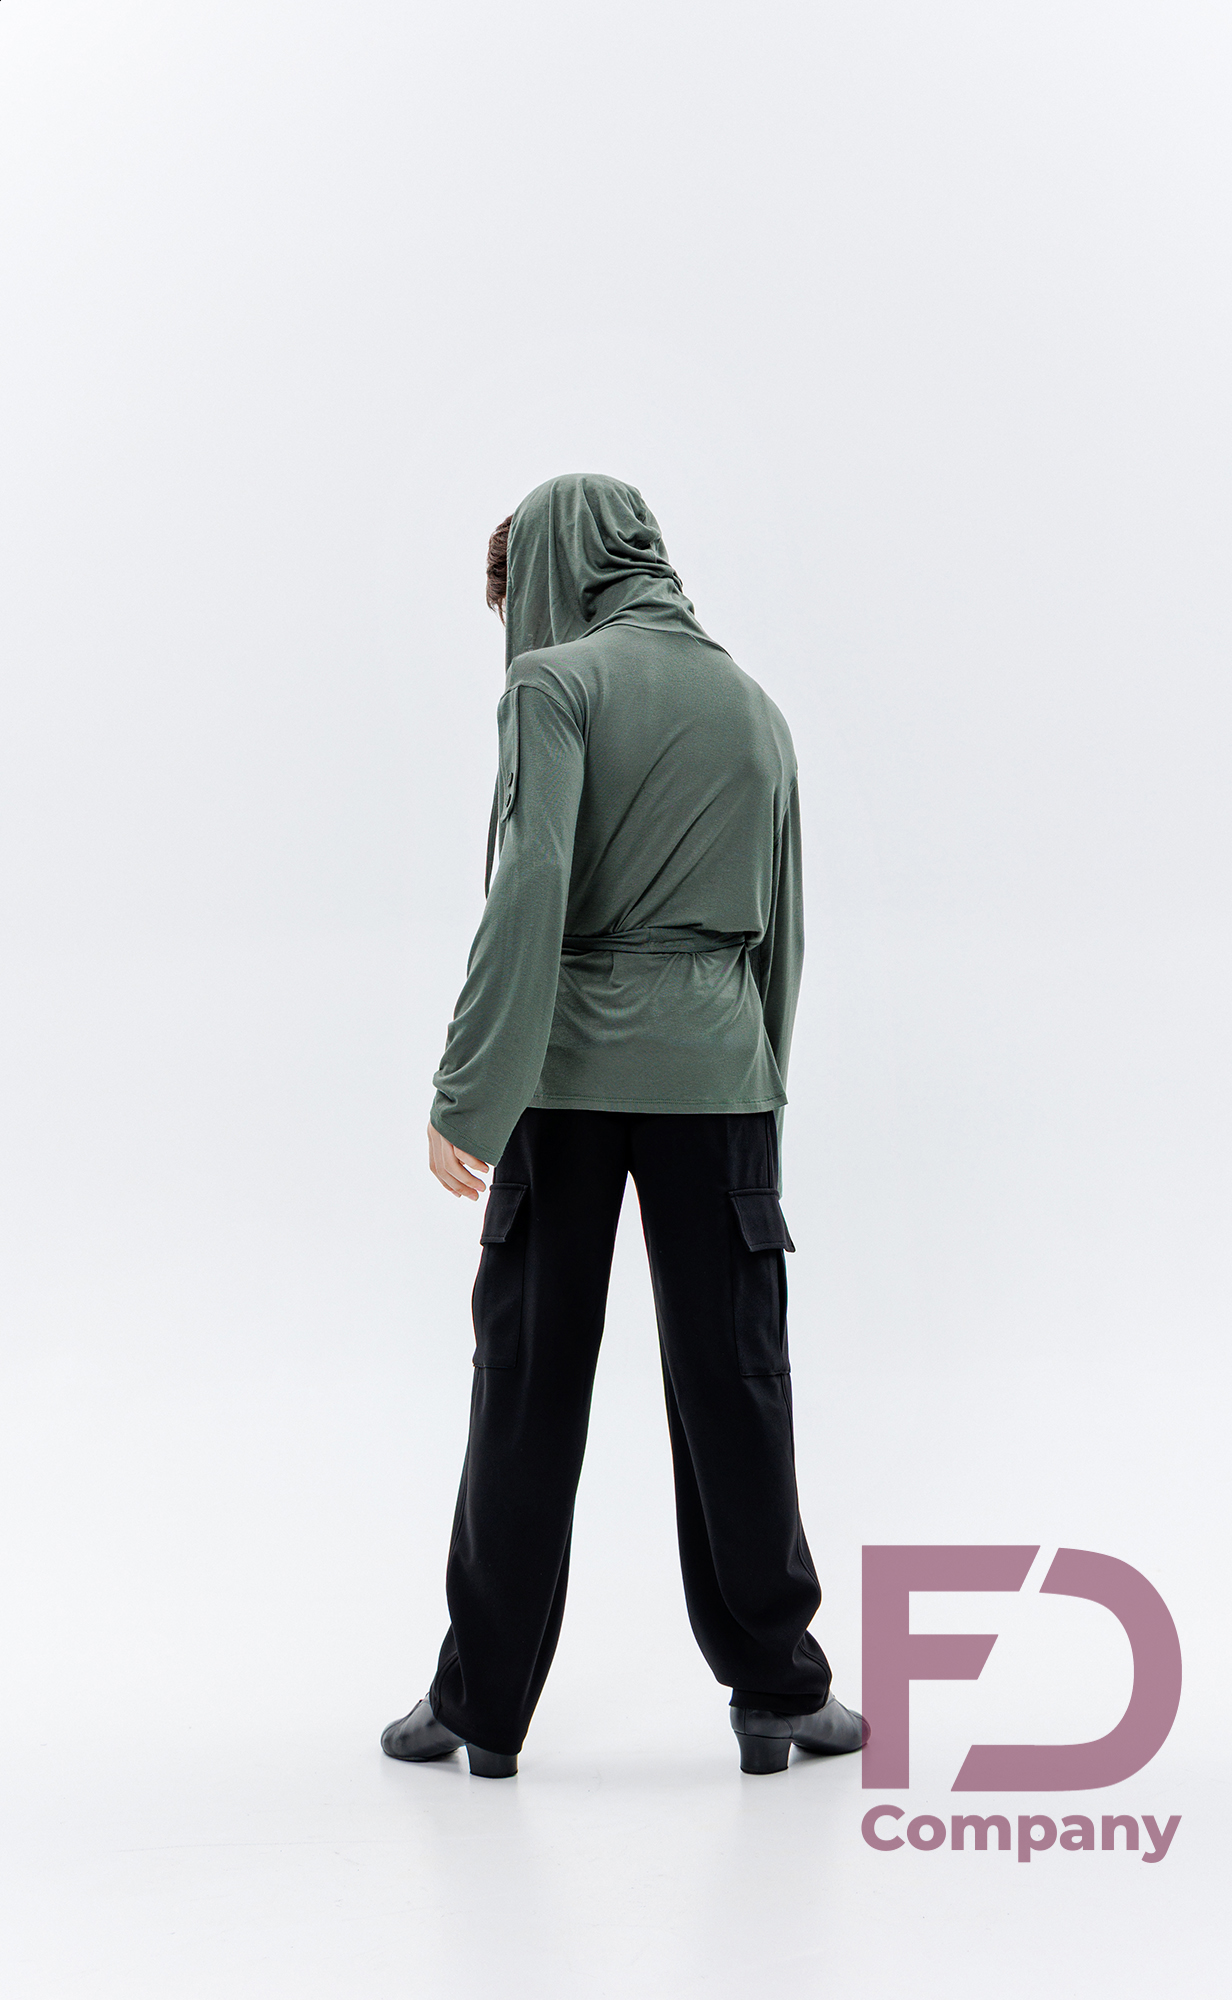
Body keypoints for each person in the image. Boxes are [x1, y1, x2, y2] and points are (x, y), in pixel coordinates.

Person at [381, 475, 864, 1779]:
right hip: (720, 1074)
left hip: (564, 1077)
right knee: (736, 1382)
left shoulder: (551, 687)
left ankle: (481, 1707)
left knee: (527, 1382)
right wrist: (759, 1086)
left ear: (553, 571)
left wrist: (467, 1090)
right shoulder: (753, 703)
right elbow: (785, 922)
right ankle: (778, 1689)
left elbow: (530, 882)